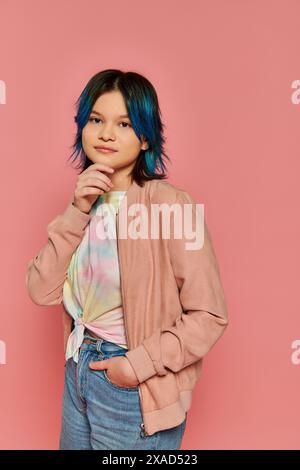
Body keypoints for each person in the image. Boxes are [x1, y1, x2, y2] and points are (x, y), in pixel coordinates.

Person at [26, 69, 229, 450]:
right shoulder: (85, 204)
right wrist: (76, 209)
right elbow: (40, 289)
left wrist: (134, 366)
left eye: (123, 123)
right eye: (96, 120)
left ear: (146, 136)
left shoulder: (170, 205)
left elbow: (209, 314)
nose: (105, 133)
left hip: (132, 384)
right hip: (78, 368)